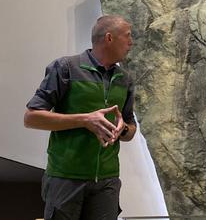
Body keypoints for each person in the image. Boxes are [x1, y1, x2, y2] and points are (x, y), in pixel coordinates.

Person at [24, 15, 137, 220]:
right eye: (128, 36)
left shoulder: (126, 80)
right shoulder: (65, 67)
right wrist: (85, 120)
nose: (131, 42)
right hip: (65, 177)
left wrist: (123, 130)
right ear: (109, 38)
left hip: (107, 180)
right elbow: (31, 118)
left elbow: (131, 128)